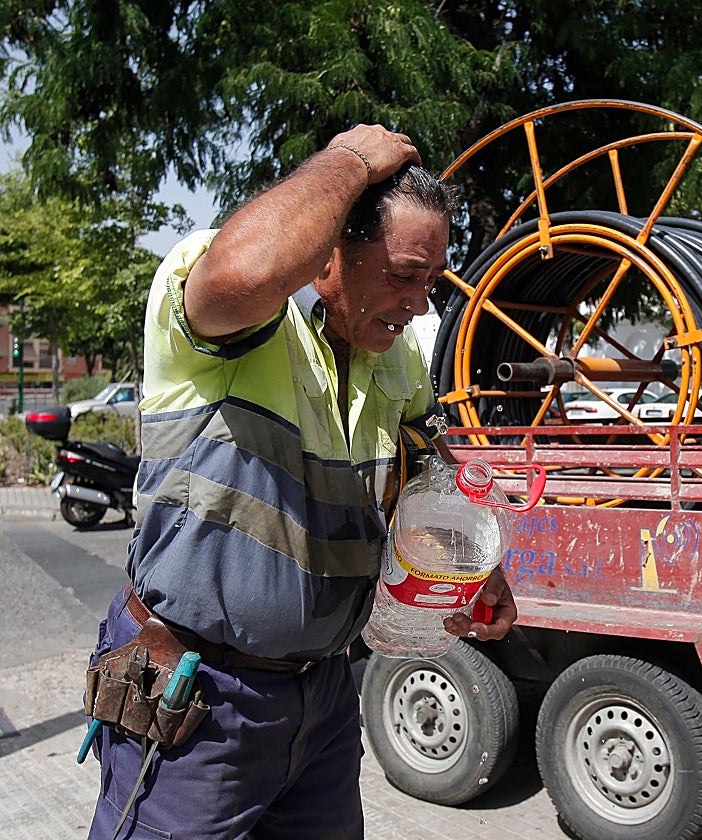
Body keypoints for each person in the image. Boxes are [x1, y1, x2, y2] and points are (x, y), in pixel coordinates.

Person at [85, 125, 517, 839]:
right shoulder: (240, 317)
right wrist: (350, 160)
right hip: (197, 692)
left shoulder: (398, 353)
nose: (418, 301)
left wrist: (480, 569)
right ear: (326, 254)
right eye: (403, 273)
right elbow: (248, 272)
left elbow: (427, 478)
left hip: (321, 697)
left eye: (430, 281)